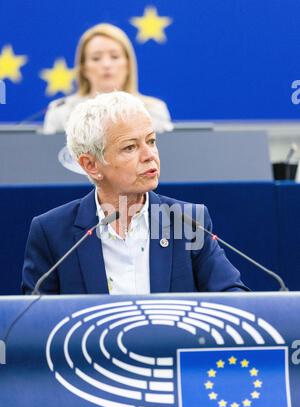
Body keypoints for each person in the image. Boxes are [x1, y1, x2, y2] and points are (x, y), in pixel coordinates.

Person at [22, 91, 248, 295]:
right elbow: (32, 324)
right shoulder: (52, 232)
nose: (149, 155)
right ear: (91, 165)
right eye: (130, 147)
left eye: (151, 141)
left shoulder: (187, 222)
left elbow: (234, 297)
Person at [43, 23, 172, 135]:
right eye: (96, 58)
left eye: (114, 56)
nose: (106, 65)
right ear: (83, 68)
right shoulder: (60, 111)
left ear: (128, 65)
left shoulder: (153, 110)